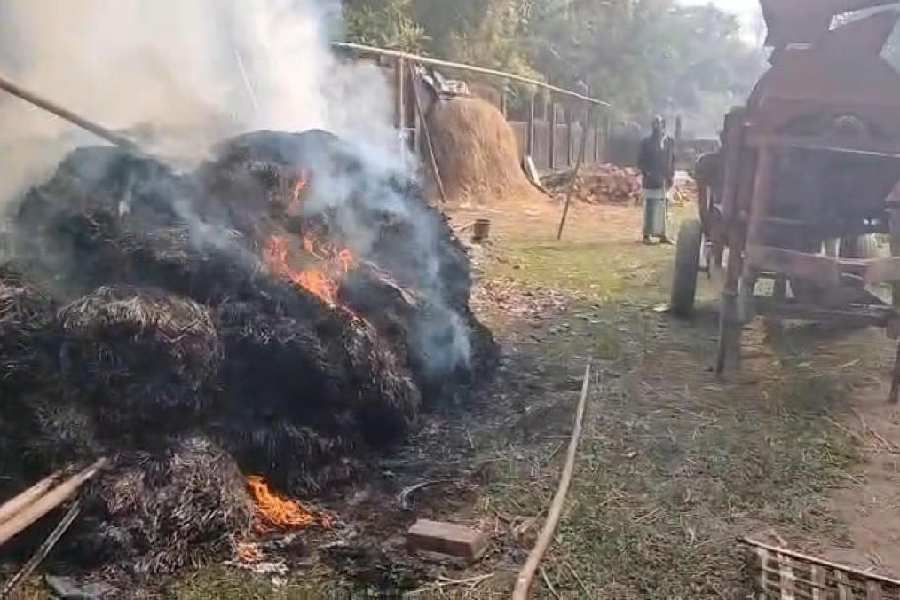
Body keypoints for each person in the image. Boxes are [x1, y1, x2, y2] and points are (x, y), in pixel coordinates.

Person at [637, 116, 675, 244]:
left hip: (664, 179)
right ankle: (646, 235)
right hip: (651, 180)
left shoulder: (669, 141)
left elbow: (672, 160)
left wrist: (671, 176)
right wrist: (648, 173)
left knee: (663, 207)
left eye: (659, 124)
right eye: (655, 124)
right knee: (650, 207)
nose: (657, 126)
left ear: (663, 125)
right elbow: (640, 161)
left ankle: (662, 235)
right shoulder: (646, 142)